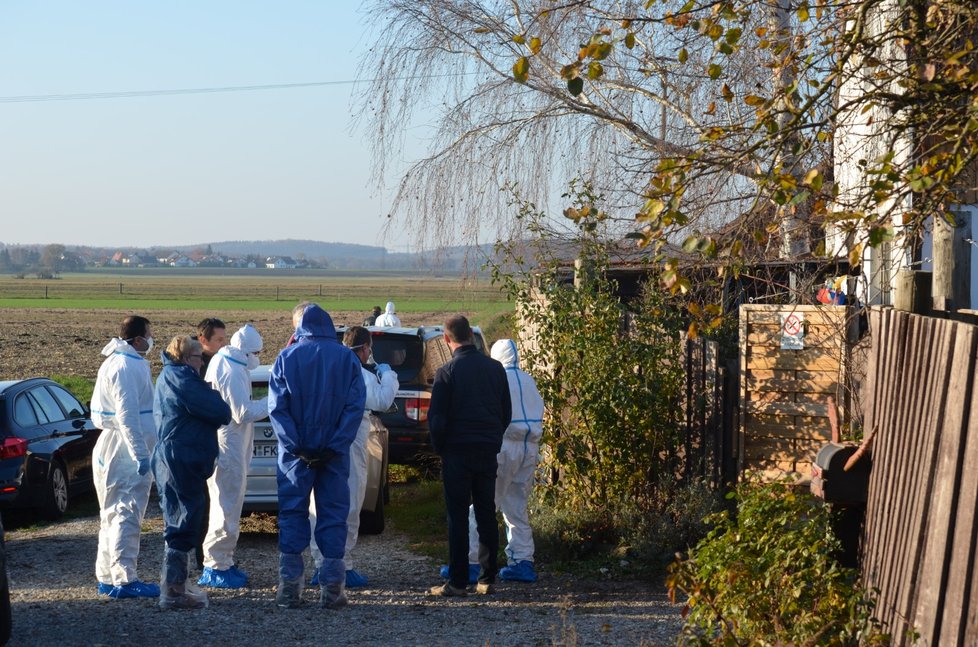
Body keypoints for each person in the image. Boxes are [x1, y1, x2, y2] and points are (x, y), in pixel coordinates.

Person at [269, 304, 366, 609]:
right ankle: (333, 589)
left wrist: (297, 446)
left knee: (292, 514)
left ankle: (289, 589)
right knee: (333, 515)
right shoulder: (346, 358)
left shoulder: (286, 357)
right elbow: (354, 408)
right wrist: (334, 446)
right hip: (333, 456)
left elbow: (278, 409)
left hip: (296, 456)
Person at [439, 339, 545, 585]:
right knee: (517, 507)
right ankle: (523, 561)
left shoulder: (496, 377)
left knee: (483, 505)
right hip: (530, 448)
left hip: (505, 445)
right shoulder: (529, 380)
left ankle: (471, 562)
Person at [427, 315, 511, 597]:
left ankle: (458, 580)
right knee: (487, 512)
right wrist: (493, 437)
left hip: (457, 451)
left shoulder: (447, 373)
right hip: (487, 449)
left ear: (447, 339)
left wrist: (440, 448)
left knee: (458, 516)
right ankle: (487, 578)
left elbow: (437, 419)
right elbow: (505, 412)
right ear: (472, 336)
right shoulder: (496, 369)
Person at [309, 326, 399, 588]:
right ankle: (342, 565)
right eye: (369, 348)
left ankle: (320, 564)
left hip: (322, 439)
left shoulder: (327, 370)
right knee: (350, 498)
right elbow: (382, 402)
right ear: (365, 348)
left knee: (320, 502)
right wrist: (388, 374)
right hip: (352, 438)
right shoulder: (358, 373)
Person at [153, 336, 232, 610]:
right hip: (181, 459)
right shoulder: (184, 380)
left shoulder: (170, 376)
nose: (202, 363)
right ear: (188, 359)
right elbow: (221, 412)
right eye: (199, 358)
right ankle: (175, 590)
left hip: (176, 457)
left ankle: (176, 584)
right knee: (183, 521)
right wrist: (214, 395)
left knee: (180, 519)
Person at [91, 315, 160, 599]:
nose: (152, 338)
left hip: (115, 446)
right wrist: (141, 455)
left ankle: (107, 576)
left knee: (111, 514)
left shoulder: (118, 362)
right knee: (126, 513)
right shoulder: (126, 366)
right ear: (139, 338)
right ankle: (124, 578)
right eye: (149, 334)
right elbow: (127, 416)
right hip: (125, 449)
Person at [198, 324, 269, 589]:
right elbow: (242, 412)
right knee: (225, 506)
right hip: (228, 446)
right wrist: (272, 401)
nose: (258, 357)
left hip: (231, 444)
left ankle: (223, 560)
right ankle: (216, 565)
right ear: (247, 351)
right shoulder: (231, 369)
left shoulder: (227, 362)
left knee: (228, 504)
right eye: (257, 353)